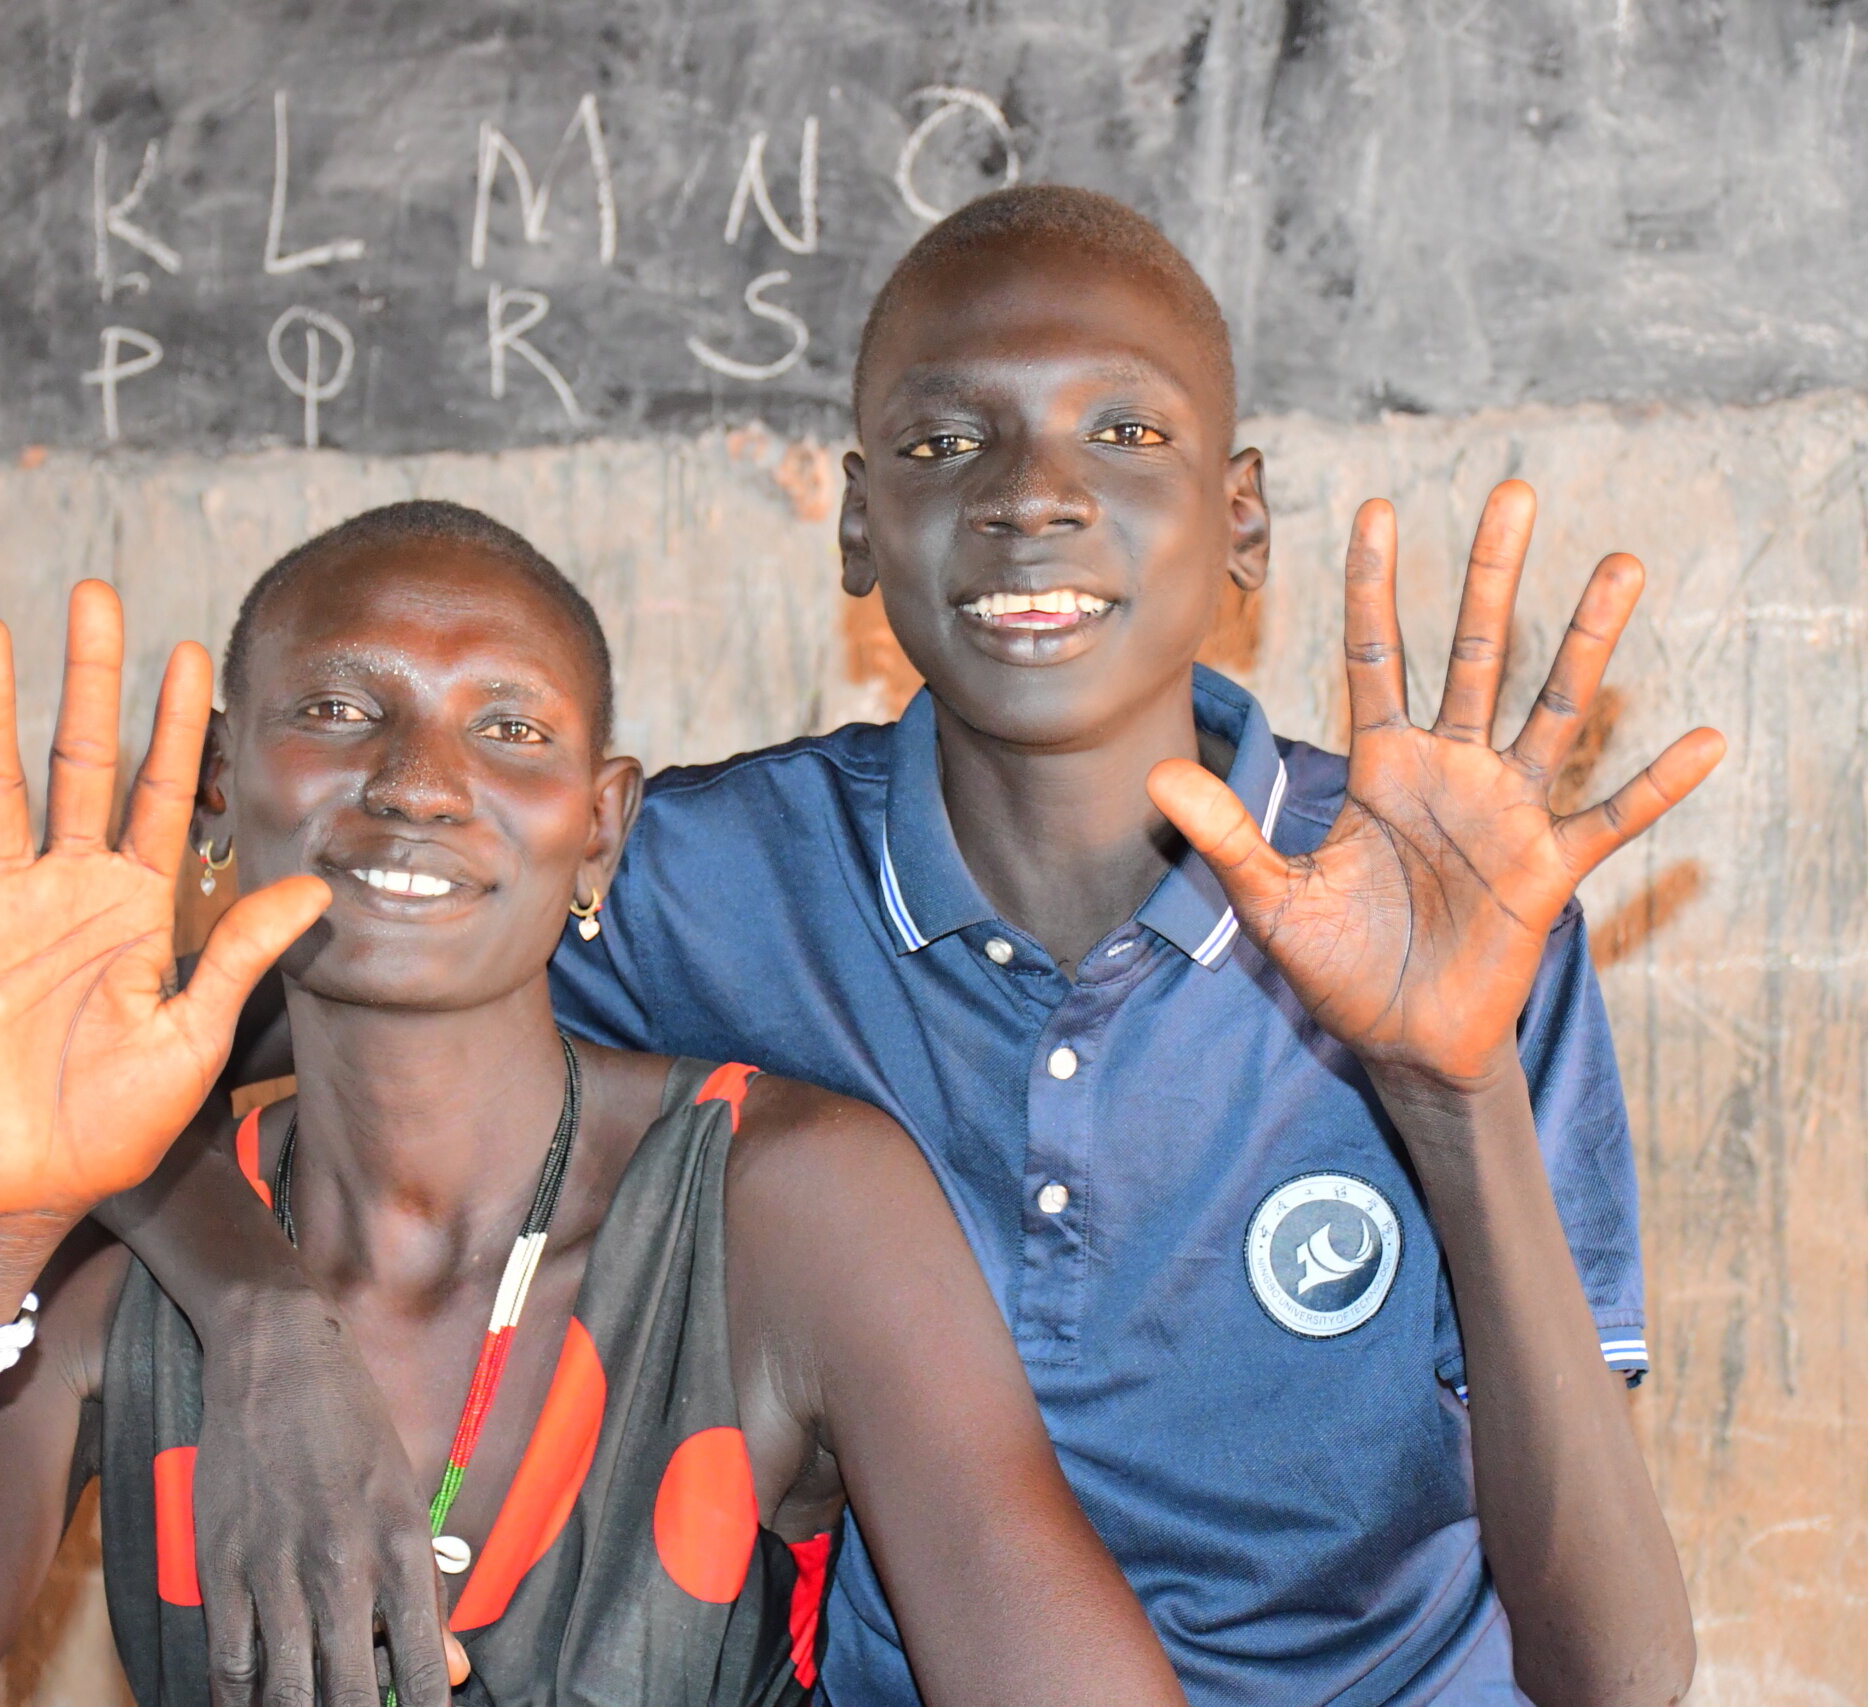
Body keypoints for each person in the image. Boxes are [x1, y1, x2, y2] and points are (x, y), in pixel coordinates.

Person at [107, 188, 1722, 1705]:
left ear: (1242, 520)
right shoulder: (690, 880)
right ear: (859, 528)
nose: (1034, 494)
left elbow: (1614, 1671)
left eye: (1126, 429)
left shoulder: (1426, 908)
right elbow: (119, 1057)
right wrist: (252, 1310)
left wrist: (1455, 1096)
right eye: (950, 440)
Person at [0, 510, 1189, 1707]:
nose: (421, 781)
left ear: (600, 831)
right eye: (340, 707)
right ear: (219, 795)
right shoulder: (112, 1254)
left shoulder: (782, 1209)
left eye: (509, 729)